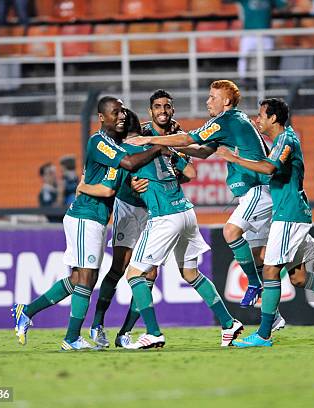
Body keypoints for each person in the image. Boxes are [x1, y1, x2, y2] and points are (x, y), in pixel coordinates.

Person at [12, 96, 167, 350]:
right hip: (85, 216)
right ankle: (71, 338)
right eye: (115, 113)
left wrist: (129, 184)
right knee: (85, 278)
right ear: (102, 117)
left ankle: (27, 311)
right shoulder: (99, 142)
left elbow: (114, 179)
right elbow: (110, 185)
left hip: (95, 218)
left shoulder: (115, 147)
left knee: (79, 279)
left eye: (123, 114)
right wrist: (157, 147)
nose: (121, 117)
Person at [215, 98, 314, 347]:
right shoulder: (280, 141)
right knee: (299, 278)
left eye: (261, 115)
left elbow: (269, 169)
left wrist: (233, 159)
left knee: (270, 269)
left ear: (273, 118)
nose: (257, 119)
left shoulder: (287, 140)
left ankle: (264, 334)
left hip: (289, 215)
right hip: (288, 213)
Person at [80, 121, 244, 350]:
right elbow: (189, 172)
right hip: (186, 211)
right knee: (191, 273)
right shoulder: (162, 150)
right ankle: (229, 323)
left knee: (134, 274)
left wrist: (83, 187)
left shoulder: (128, 151)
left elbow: (109, 186)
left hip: (164, 216)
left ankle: (153, 332)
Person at [127, 80, 275, 314]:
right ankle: (270, 319)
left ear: (226, 101)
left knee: (230, 232)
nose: (207, 101)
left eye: (212, 97)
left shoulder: (226, 120)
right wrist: (170, 148)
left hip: (261, 189)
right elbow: (204, 151)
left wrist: (150, 140)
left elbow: (188, 141)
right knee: (282, 267)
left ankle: (254, 284)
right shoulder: (231, 122)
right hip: (255, 194)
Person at [88, 91, 182, 348]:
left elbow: (188, 172)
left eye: (167, 107)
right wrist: (129, 181)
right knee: (120, 267)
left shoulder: (167, 137)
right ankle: (97, 324)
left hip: (154, 211)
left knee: (149, 273)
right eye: (158, 107)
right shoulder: (124, 141)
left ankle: (125, 332)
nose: (163, 112)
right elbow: (117, 170)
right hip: (129, 208)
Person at [234, 0, 288, 84]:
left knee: (268, 57)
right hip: (249, 33)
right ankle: (243, 78)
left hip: (266, 34)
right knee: (244, 56)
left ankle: (268, 78)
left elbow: (284, 6)